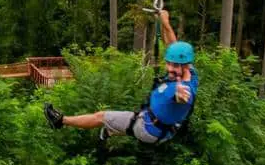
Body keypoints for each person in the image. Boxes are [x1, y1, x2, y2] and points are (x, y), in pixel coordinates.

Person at [43, 9, 198, 144]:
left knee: (101, 117)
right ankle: (112, 131)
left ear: (184, 64)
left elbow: (183, 97)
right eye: (169, 63)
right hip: (154, 123)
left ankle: (60, 121)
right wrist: (165, 22)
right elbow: (173, 45)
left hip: (147, 129)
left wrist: (180, 94)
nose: (170, 68)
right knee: (124, 120)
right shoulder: (190, 73)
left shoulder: (184, 90)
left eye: (175, 66)